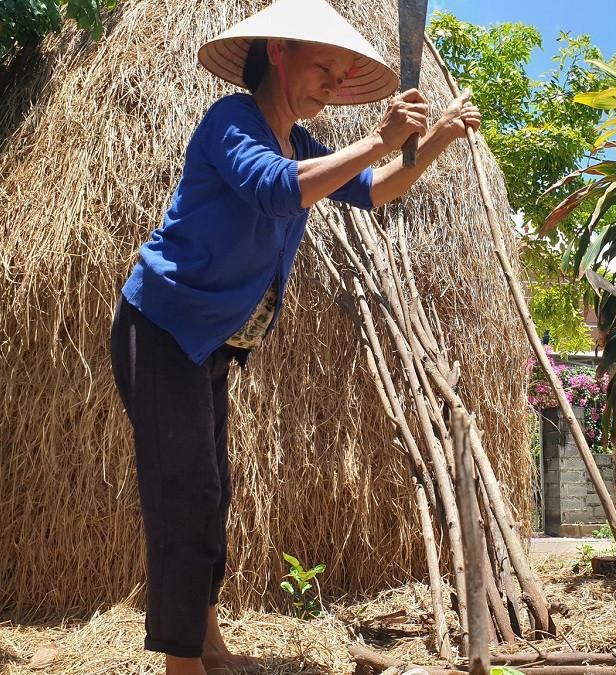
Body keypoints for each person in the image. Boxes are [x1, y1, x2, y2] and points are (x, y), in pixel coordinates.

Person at [109, 0, 480, 672]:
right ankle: (180, 664)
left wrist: (439, 139)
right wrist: (375, 136)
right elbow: (278, 191)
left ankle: (206, 643)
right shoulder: (232, 122)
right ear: (277, 52)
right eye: (323, 68)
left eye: (342, 74)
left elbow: (371, 191)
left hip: (210, 345)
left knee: (210, 490)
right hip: (162, 328)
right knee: (183, 494)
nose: (333, 84)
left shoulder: (299, 142)